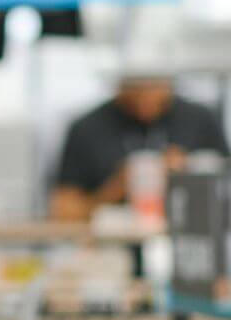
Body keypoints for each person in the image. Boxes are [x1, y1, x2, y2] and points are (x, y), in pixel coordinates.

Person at [51, 73, 229, 221]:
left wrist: (189, 174)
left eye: (154, 84)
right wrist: (116, 188)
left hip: (188, 243)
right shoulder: (87, 128)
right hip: (112, 252)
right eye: (137, 87)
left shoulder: (199, 120)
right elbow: (62, 212)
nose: (146, 95)